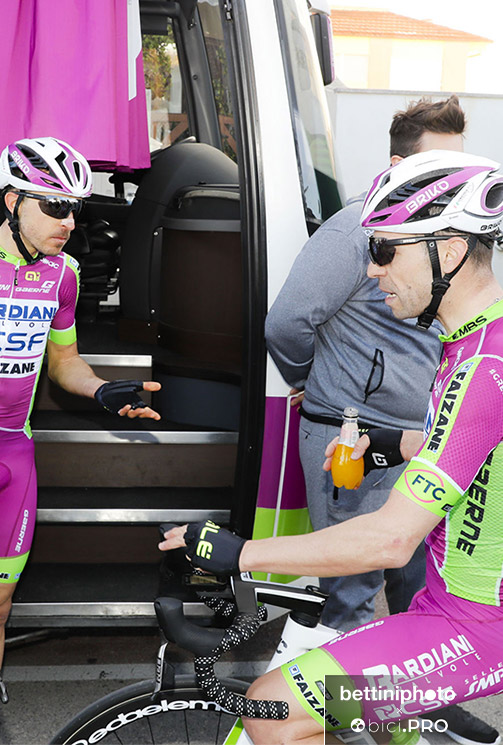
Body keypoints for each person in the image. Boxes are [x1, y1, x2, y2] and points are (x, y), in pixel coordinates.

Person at [160, 150, 503, 744]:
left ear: (447, 252)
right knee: (330, 711)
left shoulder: (483, 365)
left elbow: (390, 540)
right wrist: (393, 445)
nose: (372, 269)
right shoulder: (476, 344)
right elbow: (475, 442)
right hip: (446, 608)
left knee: (273, 709)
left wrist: (239, 554)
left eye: (384, 250)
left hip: (474, 628)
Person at [0, 136, 161, 745]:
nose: (69, 222)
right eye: (55, 207)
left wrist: (102, 391)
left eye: (76, 209)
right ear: (13, 201)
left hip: (11, 458)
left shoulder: (63, 276)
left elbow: (65, 365)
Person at [264, 96, 466, 633]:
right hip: (351, 442)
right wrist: (313, 380)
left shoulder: (438, 237)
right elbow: (286, 323)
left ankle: (408, 691)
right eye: (437, 167)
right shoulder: (354, 232)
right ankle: (339, 694)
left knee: (420, 595)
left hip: (416, 442)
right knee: (349, 600)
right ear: (399, 167)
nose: (452, 182)